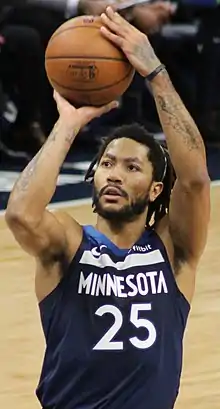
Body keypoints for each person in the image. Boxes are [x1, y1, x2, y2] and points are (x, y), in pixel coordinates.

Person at [5, 7, 210, 409]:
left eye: (131, 167)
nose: (114, 174)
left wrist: (156, 73)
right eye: (107, 164)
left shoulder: (173, 251)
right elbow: (20, 214)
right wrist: (68, 123)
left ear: (154, 190)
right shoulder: (68, 243)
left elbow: (196, 180)